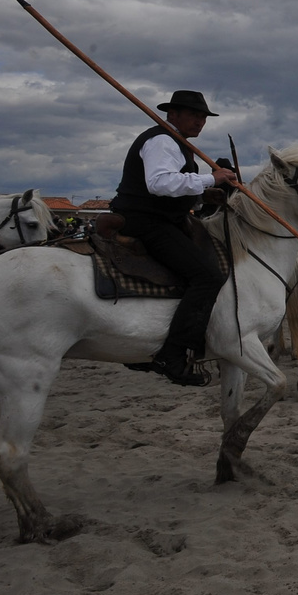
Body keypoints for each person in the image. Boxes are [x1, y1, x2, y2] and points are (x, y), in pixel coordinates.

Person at [109, 90, 240, 386]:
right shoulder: (162, 140)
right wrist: (212, 178)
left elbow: (176, 187)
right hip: (148, 222)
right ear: (172, 115)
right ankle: (172, 354)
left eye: (203, 117)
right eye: (194, 115)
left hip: (167, 218)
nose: (200, 121)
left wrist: (206, 192)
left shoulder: (178, 143)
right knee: (207, 276)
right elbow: (159, 183)